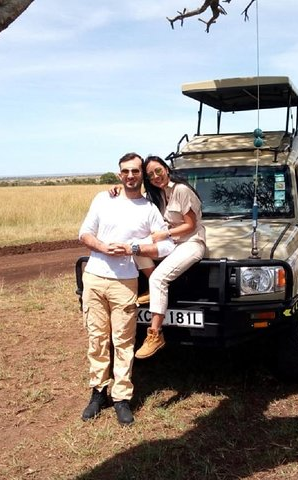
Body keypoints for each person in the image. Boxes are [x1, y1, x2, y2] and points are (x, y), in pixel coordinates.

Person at [78, 152, 174, 425]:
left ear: (142, 174)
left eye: (135, 171)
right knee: (97, 338)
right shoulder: (103, 199)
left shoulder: (148, 209)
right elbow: (84, 233)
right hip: (94, 278)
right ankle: (98, 393)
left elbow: (166, 244)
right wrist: (102, 247)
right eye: (125, 171)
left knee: (123, 341)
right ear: (119, 174)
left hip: (125, 282)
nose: (130, 176)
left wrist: (135, 248)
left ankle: (121, 397)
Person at [133, 155, 206, 360]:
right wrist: (117, 190)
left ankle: (155, 334)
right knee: (136, 249)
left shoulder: (181, 190)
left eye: (158, 171)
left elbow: (190, 225)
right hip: (172, 245)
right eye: (150, 175)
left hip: (191, 243)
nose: (156, 176)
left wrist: (164, 234)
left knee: (159, 279)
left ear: (166, 169)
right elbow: (134, 196)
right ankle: (154, 290)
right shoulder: (157, 194)